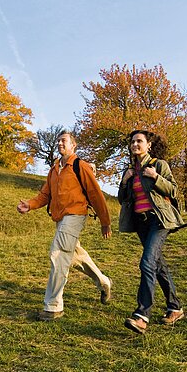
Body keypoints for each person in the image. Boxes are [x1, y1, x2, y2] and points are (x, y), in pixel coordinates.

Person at [17, 130, 112, 321]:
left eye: (64, 140)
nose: (60, 143)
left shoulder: (80, 166)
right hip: (60, 218)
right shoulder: (54, 170)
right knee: (75, 256)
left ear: (73, 145)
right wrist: (30, 204)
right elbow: (45, 195)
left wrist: (105, 222)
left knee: (58, 253)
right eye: (58, 140)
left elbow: (95, 194)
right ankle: (104, 282)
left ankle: (53, 307)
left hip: (75, 215)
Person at [118, 129, 185, 335]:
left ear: (148, 145)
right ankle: (175, 307)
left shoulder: (158, 165)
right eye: (133, 142)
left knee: (147, 262)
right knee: (157, 264)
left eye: (139, 141)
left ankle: (142, 315)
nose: (135, 145)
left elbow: (174, 191)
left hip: (159, 221)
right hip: (141, 223)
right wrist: (124, 181)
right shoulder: (129, 171)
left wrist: (156, 177)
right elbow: (123, 199)